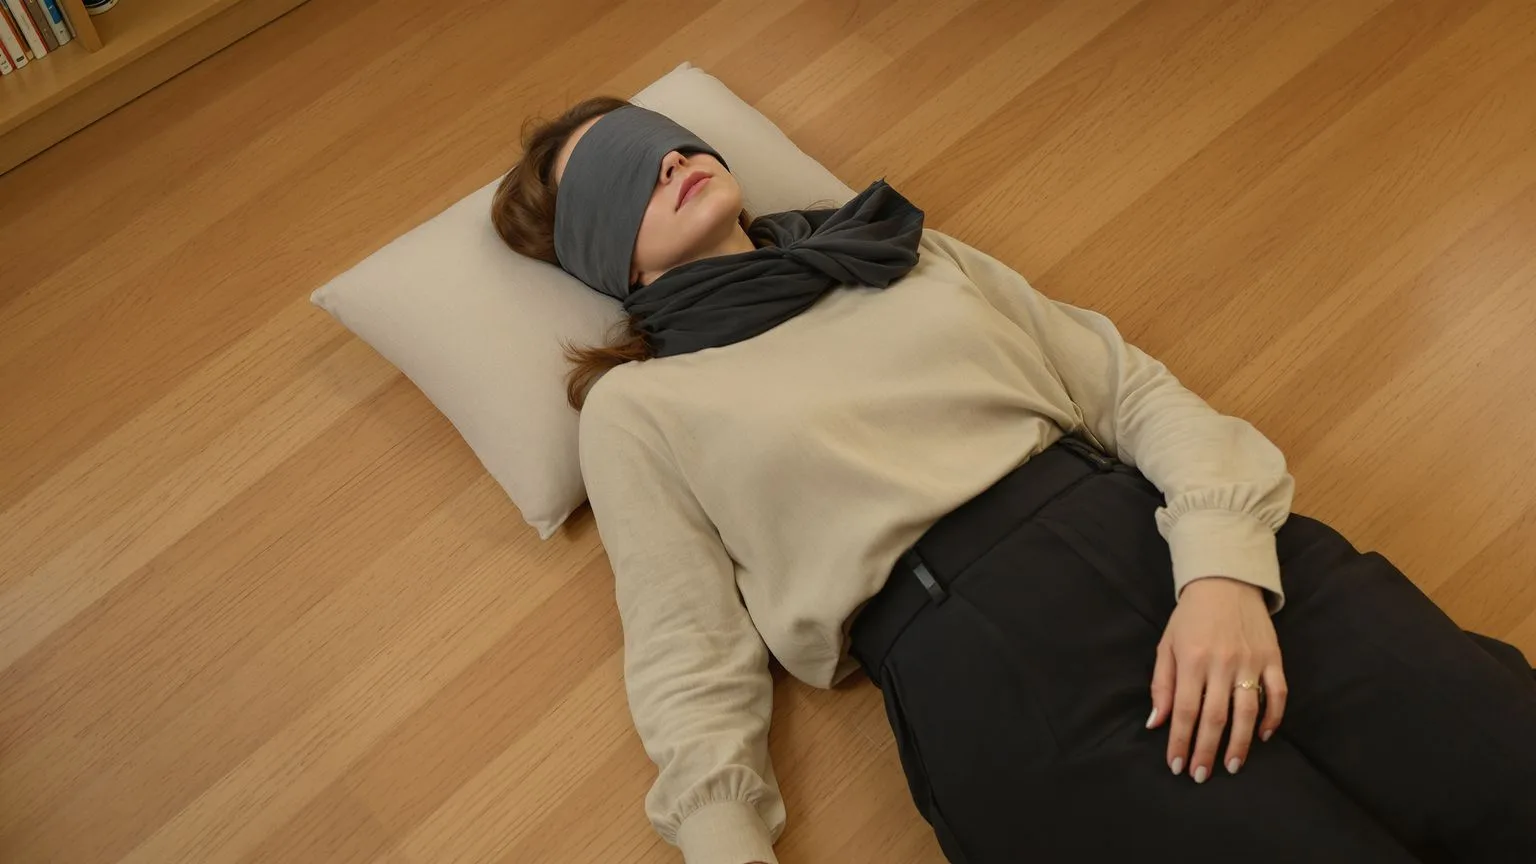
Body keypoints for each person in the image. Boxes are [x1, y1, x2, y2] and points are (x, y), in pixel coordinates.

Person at [491, 97, 1536, 864]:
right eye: (625, 174)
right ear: (608, 262)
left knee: (1498, 758)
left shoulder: (900, 252)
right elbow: (686, 649)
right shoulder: (641, 409)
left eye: (665, 134)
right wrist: (729, 850)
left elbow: (1130, 392)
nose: (670, 156)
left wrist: (1220, 567)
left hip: (1160, 537)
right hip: (991, 672)